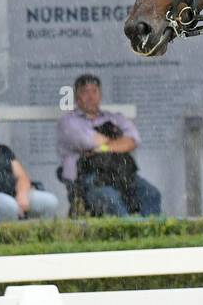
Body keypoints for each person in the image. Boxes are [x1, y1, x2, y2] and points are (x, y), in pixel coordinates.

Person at [56, 74, 161, 217]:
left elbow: (133, 140)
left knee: (152, 194)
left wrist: (103, 147)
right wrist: (118, 140)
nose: (90, 96)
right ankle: (128, 233)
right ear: (76, 97)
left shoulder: (115, 118)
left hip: (121, 175)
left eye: (94, 91)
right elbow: (88, 141)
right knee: (112, 200)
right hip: (86, 180)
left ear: (100, 95)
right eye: (85, 92)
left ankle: (149, 235)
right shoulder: (68, 122)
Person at [0, 105, 60, 222]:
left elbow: (22, 176)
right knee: (9, 206)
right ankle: (4, 239)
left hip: (13, 192)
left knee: (50, 202)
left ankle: (40, 237)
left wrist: (22, 195)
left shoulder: (4, 150)